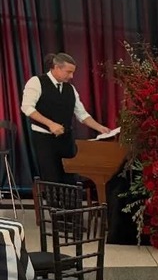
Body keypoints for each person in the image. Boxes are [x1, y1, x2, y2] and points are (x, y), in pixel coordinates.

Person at [20, 52, 110, 183]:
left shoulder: (70, 89)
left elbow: (82, 114)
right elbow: (27, 108)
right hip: (44, 139)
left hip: (66, 139)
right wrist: (50, 124)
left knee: (69, 177)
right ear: (56, 67)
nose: (71, 76)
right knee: (51, 177)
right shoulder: (36, 82)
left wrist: (100, 128)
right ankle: (54, 204)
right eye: (68, 72)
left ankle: (69, 204)